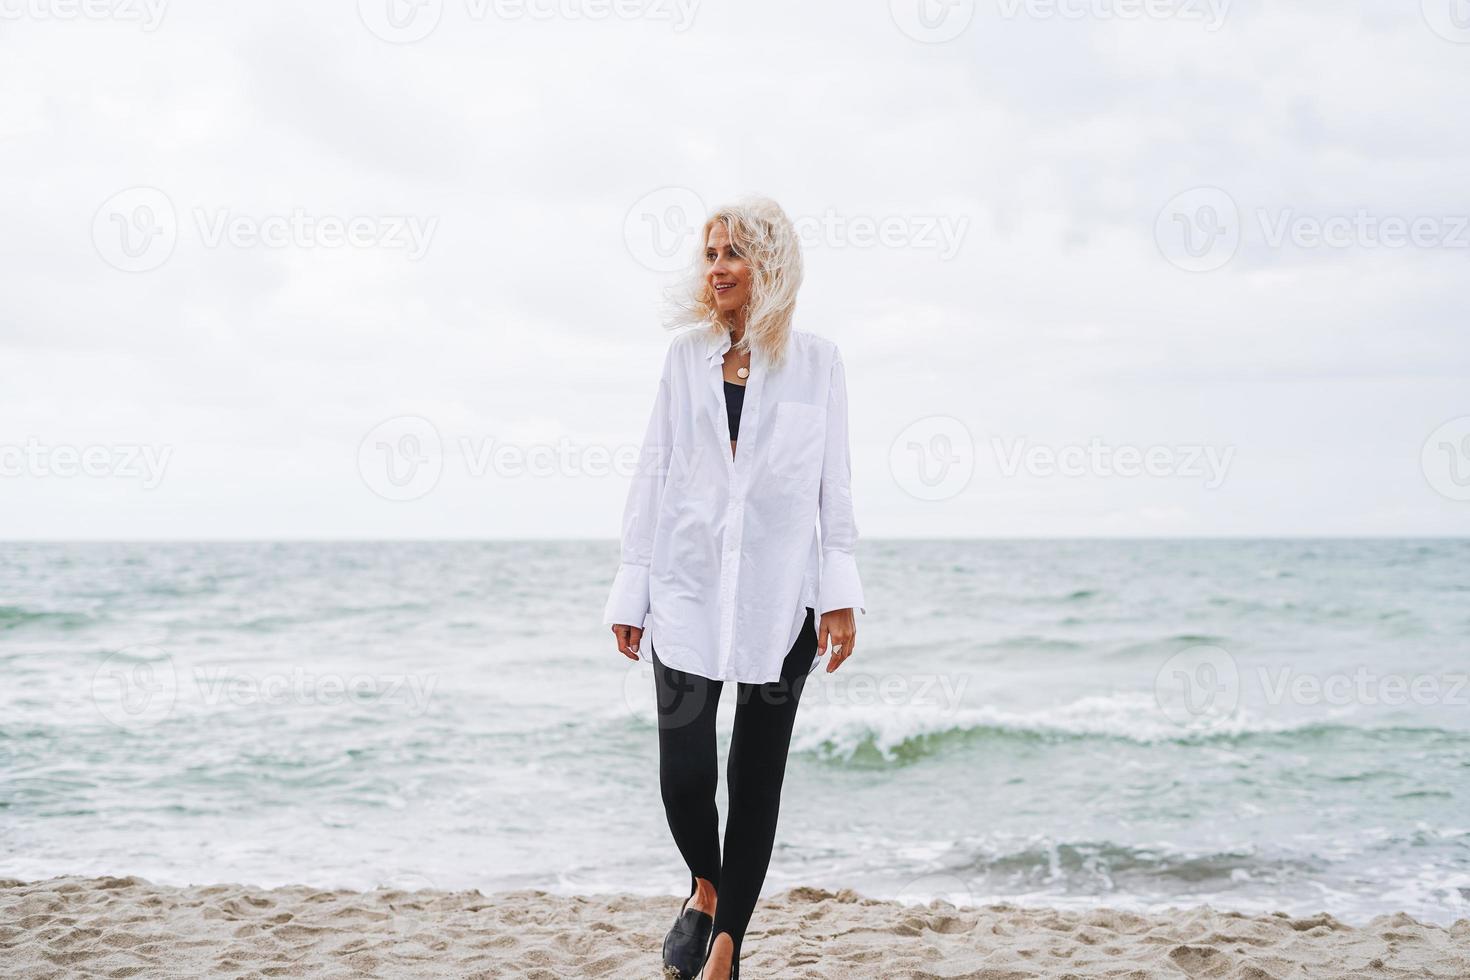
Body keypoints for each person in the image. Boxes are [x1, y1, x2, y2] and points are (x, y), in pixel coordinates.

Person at [603, 196, 867, 979]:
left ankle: (725, 950)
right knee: (684, 776)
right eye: (710, 253)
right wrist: (632, 587)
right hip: (685, 589)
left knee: (756, 779)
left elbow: (835, 486)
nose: (715, 266)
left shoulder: (819, 363)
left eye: (732, 252)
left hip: (782, 599)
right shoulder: (684, 358)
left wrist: (841, 593)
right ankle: (707, 886)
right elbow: (654, 471)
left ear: (770, 264)